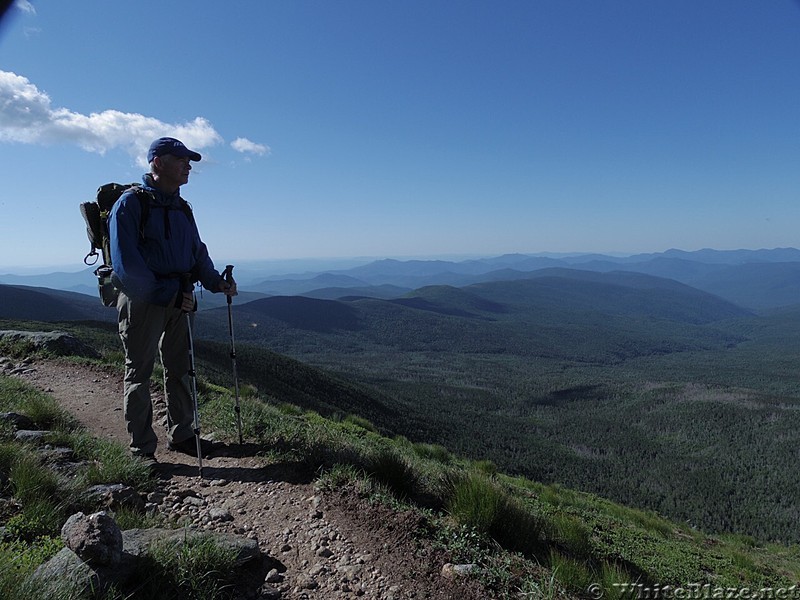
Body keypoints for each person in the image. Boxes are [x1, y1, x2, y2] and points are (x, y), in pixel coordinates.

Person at [108, 137, 237, 461]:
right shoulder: (130, 204)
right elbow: (127, 269)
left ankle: (182, 435)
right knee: (139, 371)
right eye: (180, 159)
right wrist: (170, 294)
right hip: (145, 301)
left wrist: (215, 283)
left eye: (189, 160)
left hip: (182, 297)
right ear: (157, 163)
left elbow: (197, 252)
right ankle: (142, 450)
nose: (188, 166)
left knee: (182, 368)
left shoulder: (182, 208)